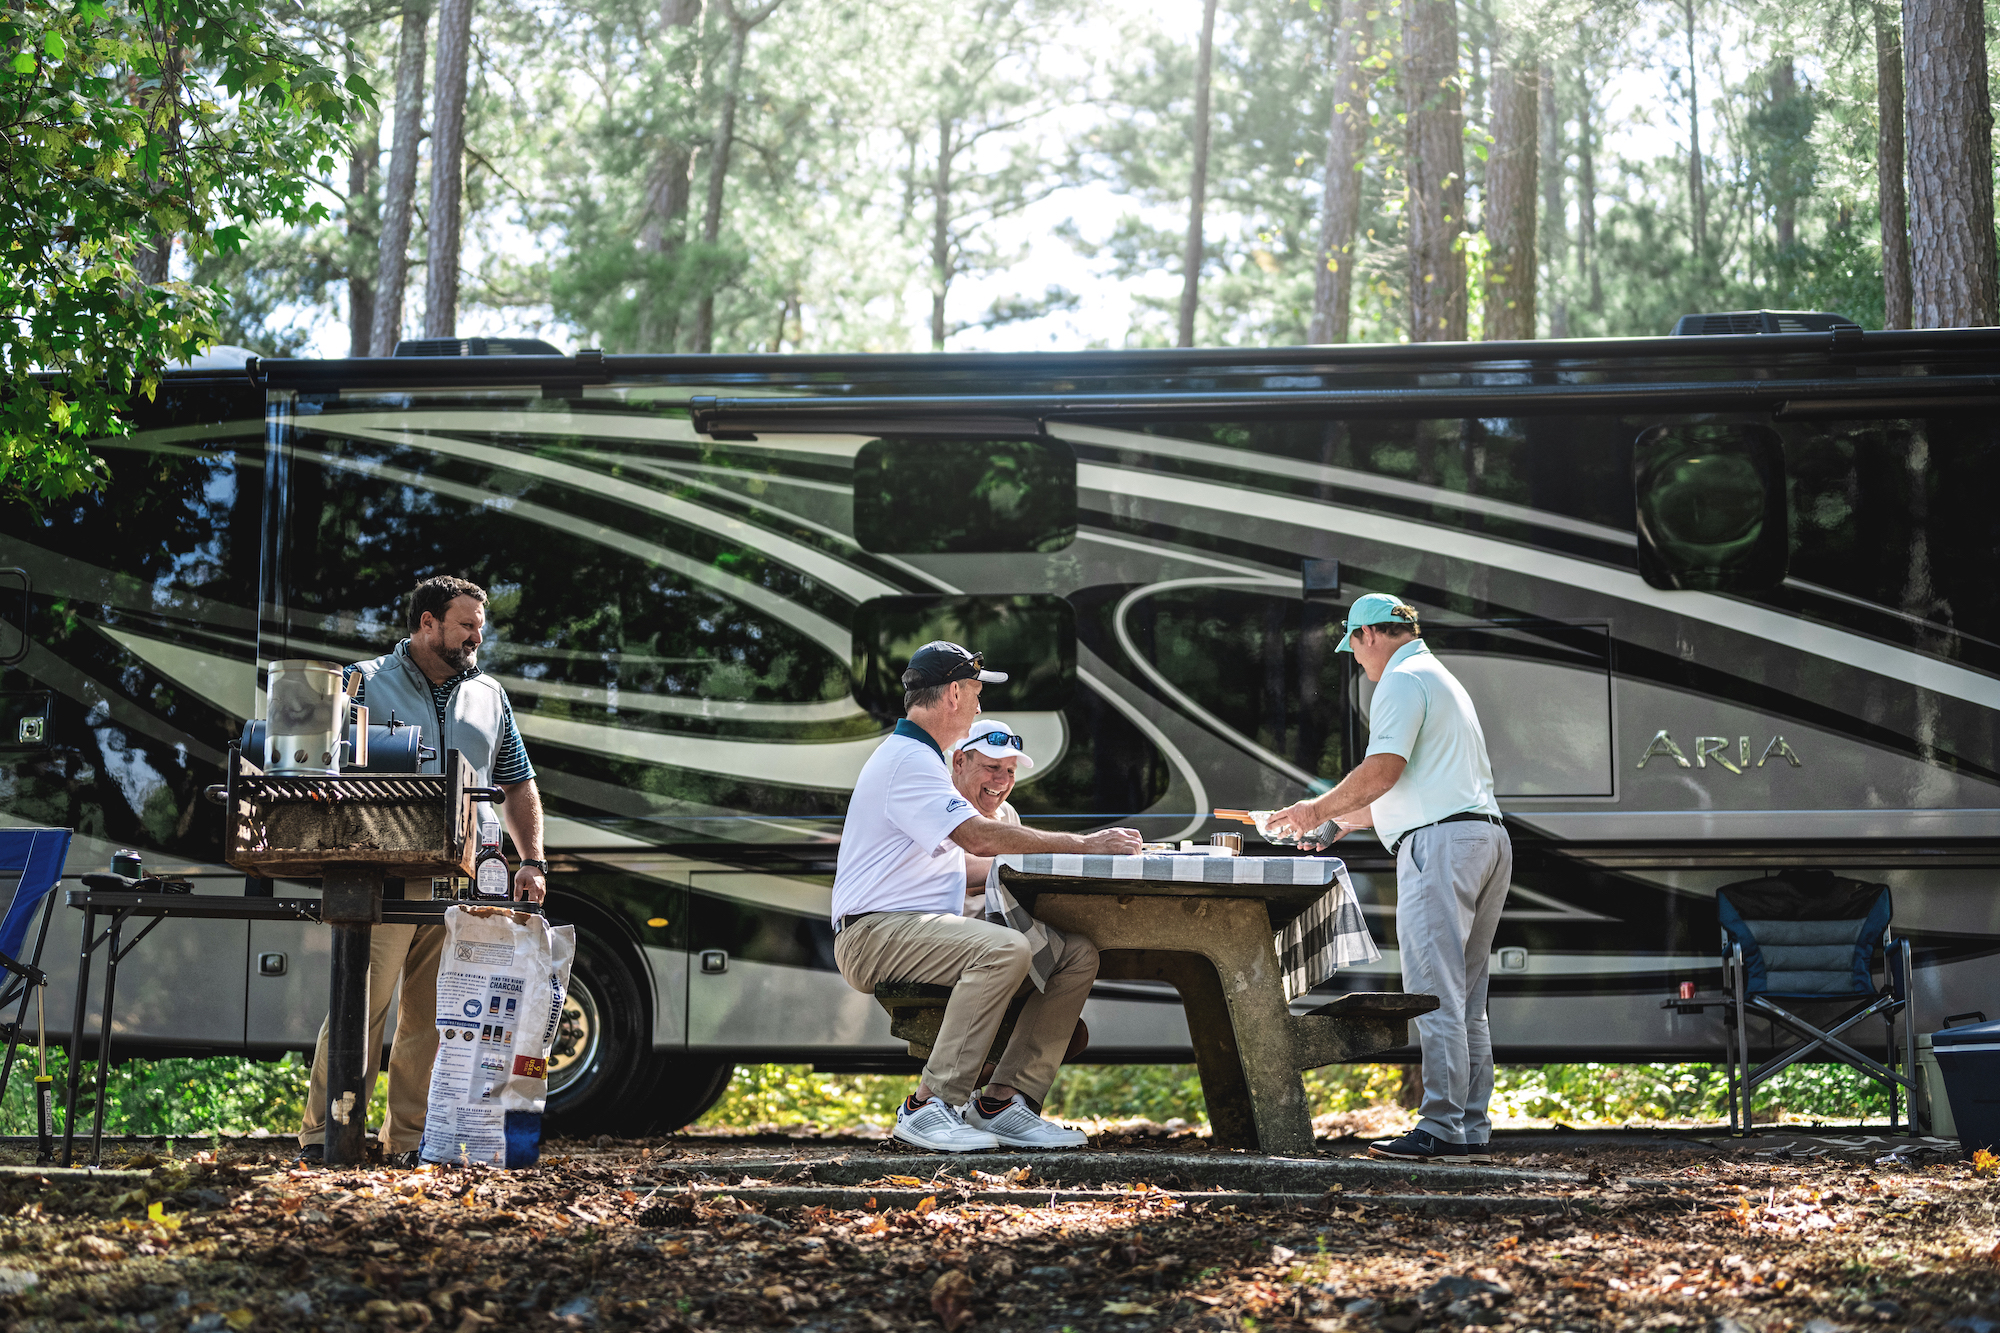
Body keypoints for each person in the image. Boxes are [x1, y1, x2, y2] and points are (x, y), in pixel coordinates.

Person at [831, 641, 1142, 1152]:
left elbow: (973, 854)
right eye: (976, 693)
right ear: (954, 693)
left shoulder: (922, 757)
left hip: (909, 925)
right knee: (1005, 950)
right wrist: (1084, 845)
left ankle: (1003, 1101)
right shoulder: (909, 760)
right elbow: (978, 838)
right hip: (873, 932)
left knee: (1075, 955)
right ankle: (928, 1105)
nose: (979, 706)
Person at [297, 575, 548, 1167]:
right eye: (465, 625)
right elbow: (319, 769)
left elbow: (517, 783)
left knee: (434, 1023)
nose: (476, 637)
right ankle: (324, 1137)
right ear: (427, 623)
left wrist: (532, 860)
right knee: (360, 1010)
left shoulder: (490, 695)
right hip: (382, 876)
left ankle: (407, 1143)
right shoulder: (364, 682)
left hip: (464, 881)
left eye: (479, 628)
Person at [1266, 593, 1510, 1166]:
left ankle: (1441, 1125)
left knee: (1433, 993)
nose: (1355, 659)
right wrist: (1338, 823)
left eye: (1351, 645)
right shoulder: (1438, 676)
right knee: (1468, 999)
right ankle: (1470, 1125)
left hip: (1442, 847)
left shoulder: (1400, 681)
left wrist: (1314, 809)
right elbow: (1415, 786)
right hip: (1483, 839)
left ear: (1368, 636)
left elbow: (1382, 771)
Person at [949, 719, 1089, 1087]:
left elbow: (1003, 873)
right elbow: (959, 870)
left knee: (1081, 959)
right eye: (992, 767)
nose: (1001, 781)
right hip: (955, 946)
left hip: (1002, 936)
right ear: (959, 762)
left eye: (1009, 771)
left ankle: (1003, 1098)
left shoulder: (1007, 815)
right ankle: (975, 1093)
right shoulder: (943, 804)